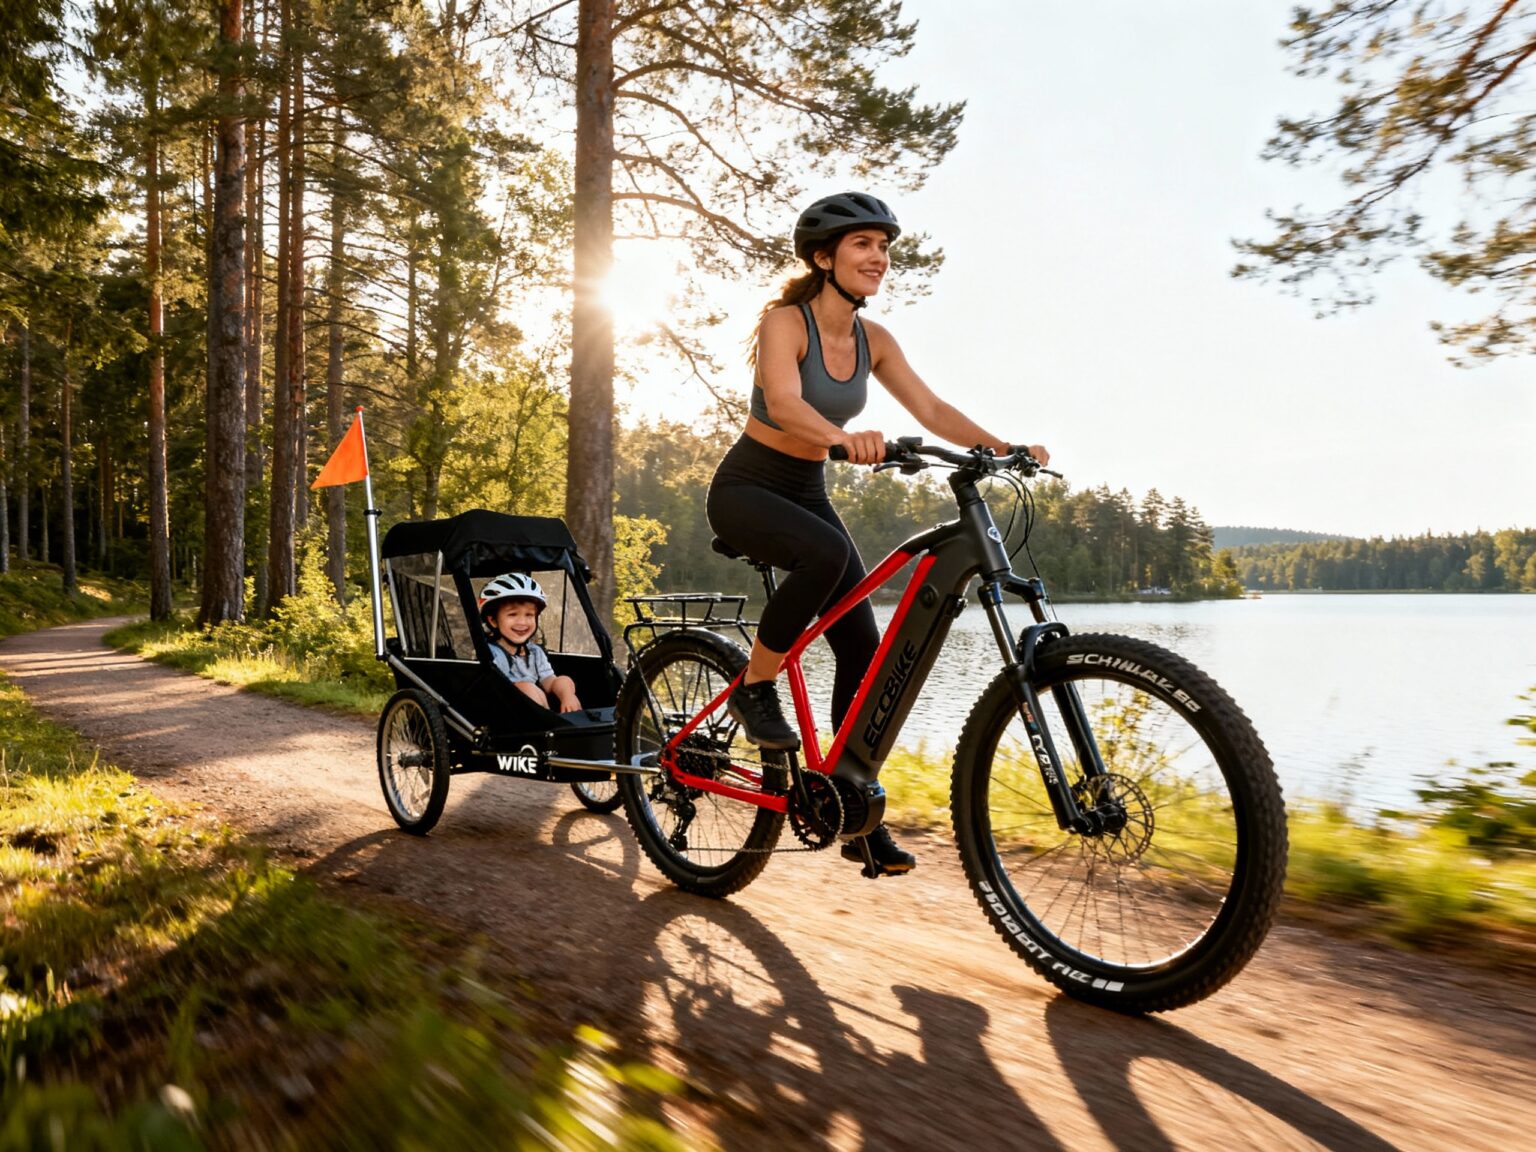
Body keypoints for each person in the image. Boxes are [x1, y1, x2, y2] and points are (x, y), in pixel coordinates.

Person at [706, 191, 1050, 876]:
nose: (879, 258)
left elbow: (931, 407)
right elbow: (783, 401)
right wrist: (842, 437)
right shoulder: (786, 321)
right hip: (748, 487)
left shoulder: (876, 339)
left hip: (807, 491)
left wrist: (1004, 448)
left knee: (864, 648)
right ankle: (755, 686)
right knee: (829, 554)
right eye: (863, 244)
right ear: (824, 256)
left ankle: (851, 811)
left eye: (884, 247)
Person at [479, 573, 583, 713]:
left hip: (537, 708)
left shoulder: (535, 652)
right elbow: (497, 691)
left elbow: (550, 682)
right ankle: (549, 723)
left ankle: (561, 720)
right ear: (493, 621)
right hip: (505, 713)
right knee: (526, 688)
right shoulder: (492, 653)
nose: (522, 622)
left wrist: (567, 695)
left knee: (564, 681)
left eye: (529, 615)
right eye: (512, 614)